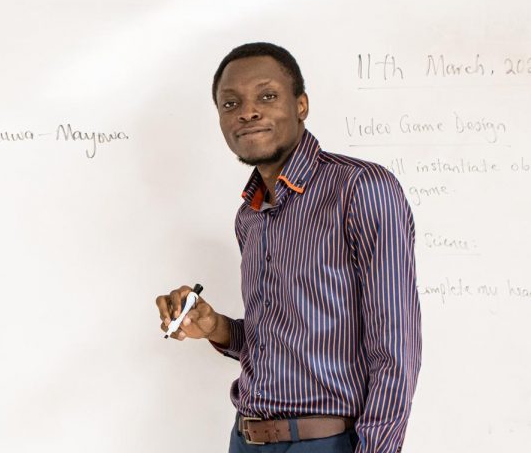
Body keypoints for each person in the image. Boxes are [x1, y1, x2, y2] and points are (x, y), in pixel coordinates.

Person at [155, 42, 421, 453]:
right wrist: (215, 327)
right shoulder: (250, 216)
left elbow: (394, 350)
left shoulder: (360, 189)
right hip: (245, 439)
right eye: (230, 103)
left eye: (266, 96)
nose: (247, 111)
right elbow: (276, 339)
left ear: (301, 105)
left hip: (327, 443)